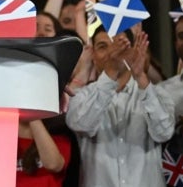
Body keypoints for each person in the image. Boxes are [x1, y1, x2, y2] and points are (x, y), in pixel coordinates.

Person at [66, 26, 174, 186]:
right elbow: (82, 125)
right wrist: (111, 71)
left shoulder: (157, 93)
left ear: (132, 52)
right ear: (93, 56)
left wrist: (141, 78)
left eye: (120, 45)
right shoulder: (80, 96)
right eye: (103, 47)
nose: (112, 52)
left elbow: (164, 133)